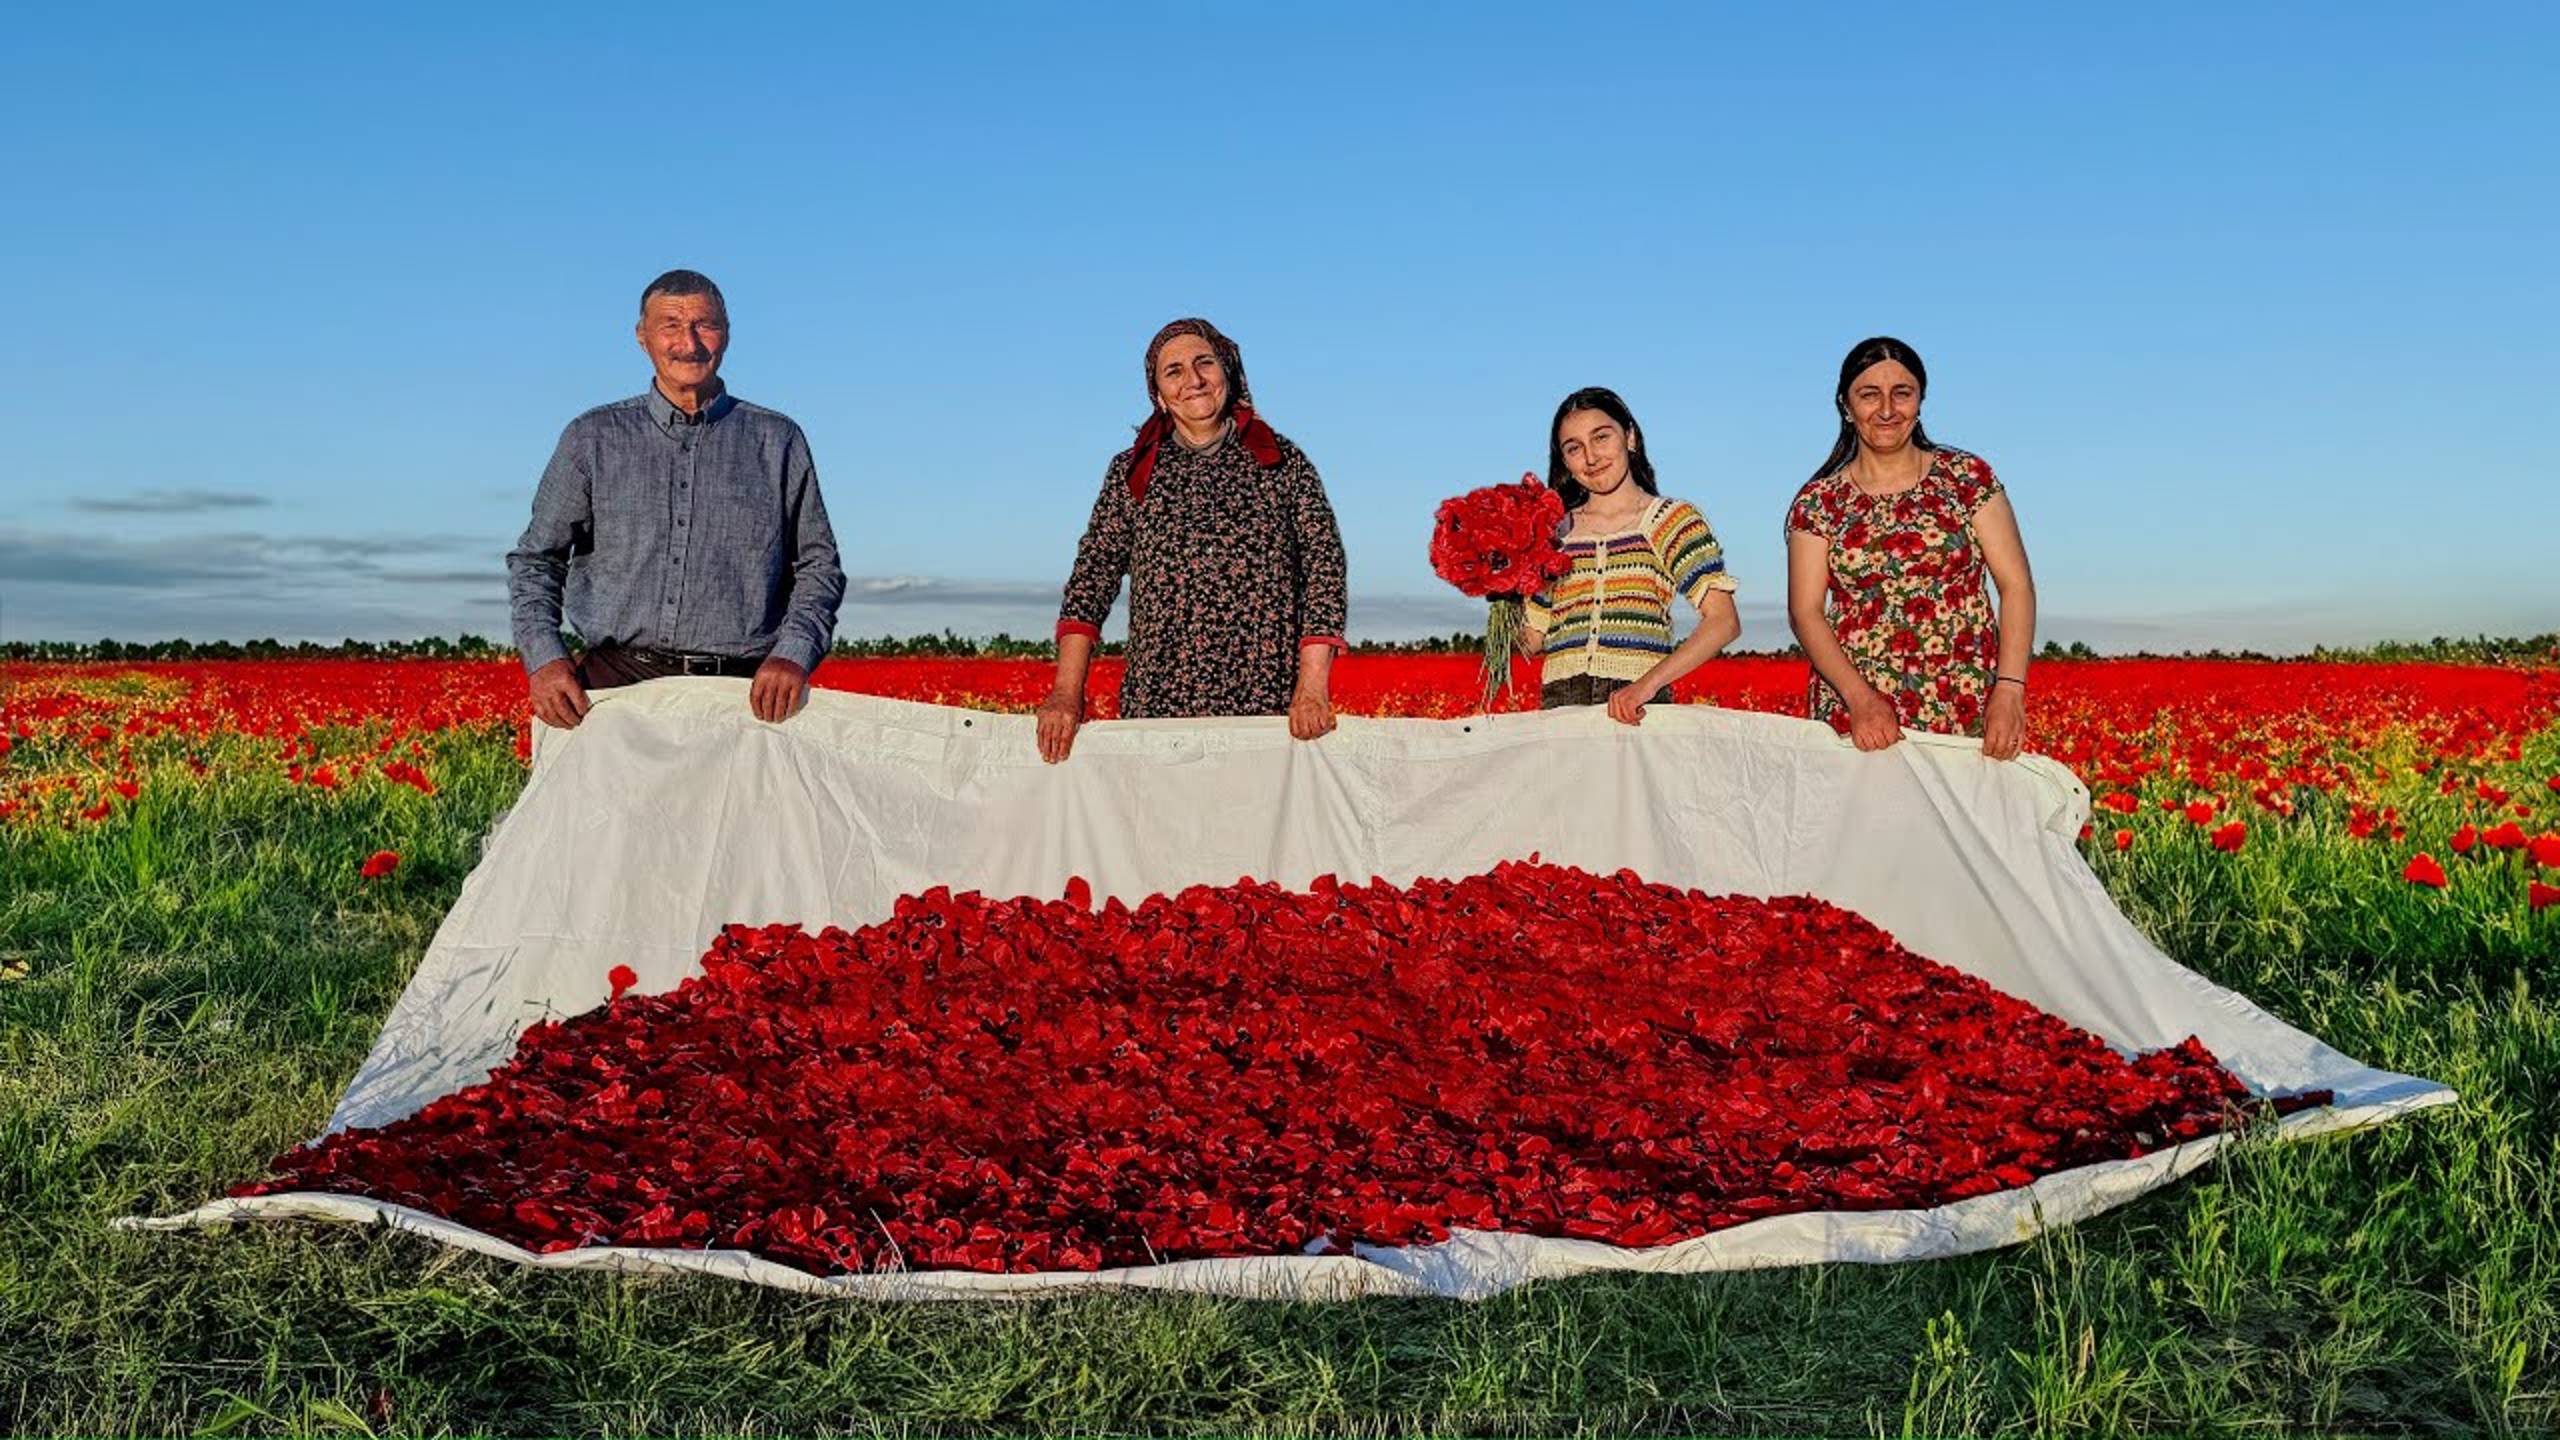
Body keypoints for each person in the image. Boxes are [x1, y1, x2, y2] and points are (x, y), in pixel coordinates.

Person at [506, 270, 845, 730]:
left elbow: (818, 566)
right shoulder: (592, 438)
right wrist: (544, 657)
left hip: (745, 697)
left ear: (726, 334)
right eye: (670, 325)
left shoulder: (778, 441)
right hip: (614, 689)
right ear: (642, 337)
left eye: (705, 325)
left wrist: (794, 653)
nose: (688, 343)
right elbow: (536, 560)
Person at [1035, 318, 1349, 763]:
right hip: (1159, 707)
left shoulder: (1282, 462)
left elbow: (1324, 570)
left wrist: (1313, 686)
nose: (1193, 380)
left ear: (1229, 372)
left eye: (1205, 363)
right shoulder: (1132, 472)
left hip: (1267, 708)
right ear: (1158, 394)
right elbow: (1092, 578)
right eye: (1174, 371)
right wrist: (1066, 694)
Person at [1784, 336, 2037, 759]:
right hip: (1859, 711)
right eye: (1869, 395)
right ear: (1846, 407)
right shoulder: (1819, 502)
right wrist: (1859, 699)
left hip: (1965, 697)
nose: (1886, 410)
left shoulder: (1966, 477)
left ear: (1920, 401)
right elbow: (1805, 612)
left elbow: (2016, 586)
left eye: (1901, 393)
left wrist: (2010, 690)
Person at [1518, 388, 1742, 724]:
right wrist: (1501, 585)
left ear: (1630, 437)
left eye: (1602, 437)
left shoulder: (1669, 519)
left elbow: (1723, 622)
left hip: (1640, 704)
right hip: (1561, 705)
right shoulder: (1554, 534)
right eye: (1574, 448)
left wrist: (1645, 686)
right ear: (1564, 461)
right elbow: (1532, 640)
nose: (1591, 457)